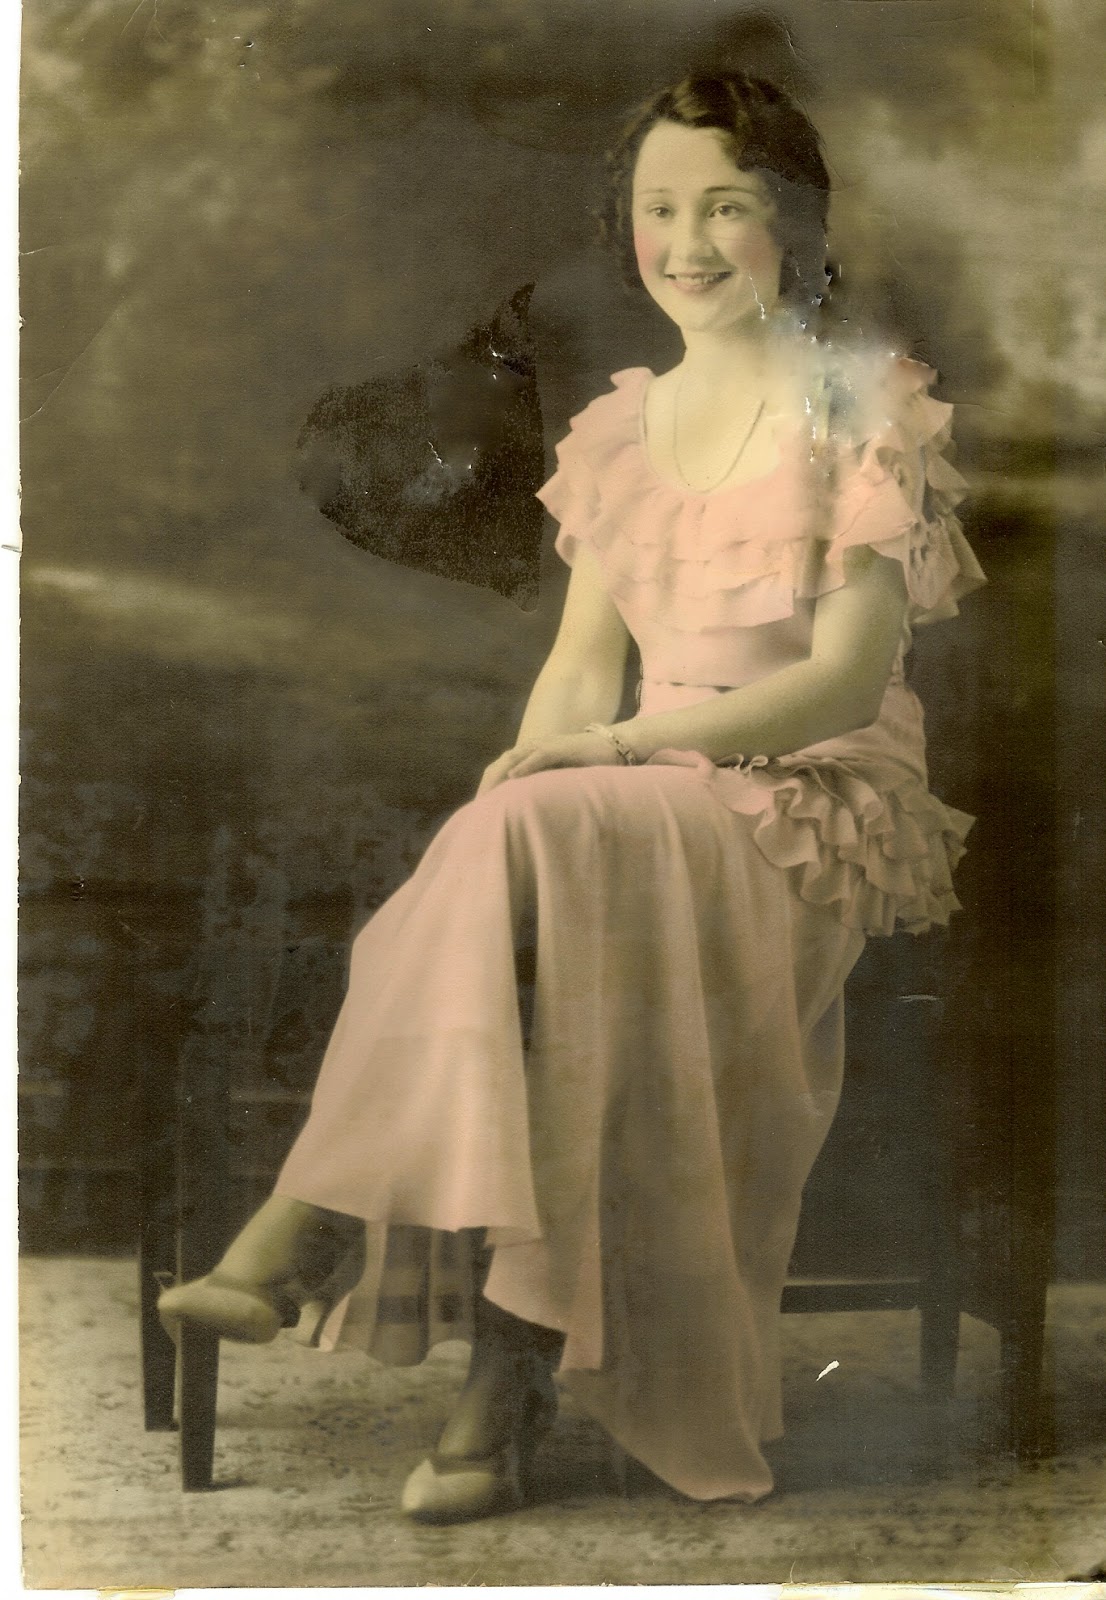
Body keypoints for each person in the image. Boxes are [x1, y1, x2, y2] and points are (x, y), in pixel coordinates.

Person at [159, 71, 986, 1522]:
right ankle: (501, 1390)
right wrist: (534, 770)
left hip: (804, 805)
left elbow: (847, 686)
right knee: (521, 865)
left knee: (542, 829)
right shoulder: (618, 431)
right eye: (659, 210)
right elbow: (579, 671)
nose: (687, 243)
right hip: (631, 805)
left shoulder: (859, 407)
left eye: (723, 207)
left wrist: (602, 761)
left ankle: (313, 1226)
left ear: (793, 224)